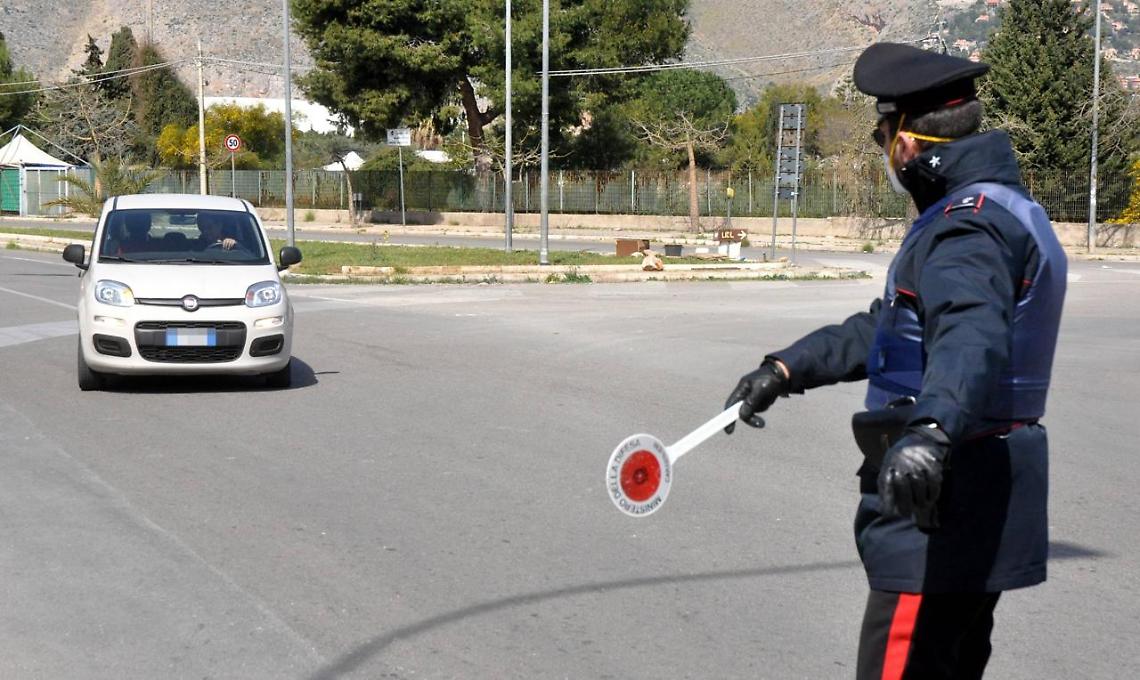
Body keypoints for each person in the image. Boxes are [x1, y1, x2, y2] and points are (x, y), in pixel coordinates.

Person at [724, 42, 1067, 679]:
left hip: (938, 494)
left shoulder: (966, 227)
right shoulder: (1002, 207)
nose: (884, 150)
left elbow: (971, 333)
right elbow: (897, 326)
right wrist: (787, 368)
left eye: (883, 133)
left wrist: (931, 432)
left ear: (906, 143)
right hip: (980, 485)